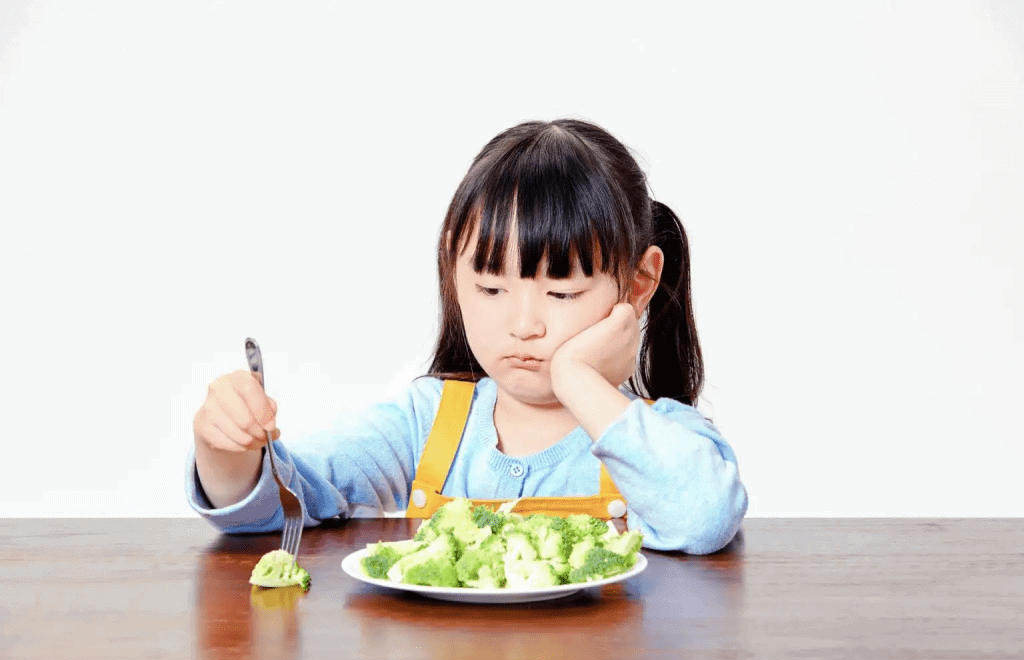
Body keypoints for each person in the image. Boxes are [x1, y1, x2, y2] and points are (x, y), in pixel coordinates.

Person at [187, 119, 747, 554]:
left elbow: (703, 518)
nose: (523, 324)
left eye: (562, 293)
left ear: (640, 280)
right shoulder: (426, 424)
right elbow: (280, 505)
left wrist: (578, 379)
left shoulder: (660, 439)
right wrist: (227, 450)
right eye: (489, 288)